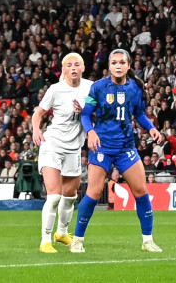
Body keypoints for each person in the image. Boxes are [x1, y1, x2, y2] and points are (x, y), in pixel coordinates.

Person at [71, 49, 165, 253]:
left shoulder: (135, 89)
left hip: (126, 148)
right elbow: (86, 115)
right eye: (114, 63)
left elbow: (139, 114)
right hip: (102, 146)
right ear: (109, 67)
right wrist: (91, 133)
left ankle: (147, 241)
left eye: (122, 62)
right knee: (93, 193)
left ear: (128, 66)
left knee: (141, 191)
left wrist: (151, 128)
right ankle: (77, 239)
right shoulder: (98, 87)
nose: (118, 66)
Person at [31, 52, 93, 252]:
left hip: (74, 148)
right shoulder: (56, 90)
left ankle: (62, 233)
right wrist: (36, 129)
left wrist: (84, 111)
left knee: (70, 196)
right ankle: (45, 240)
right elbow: (38, 113)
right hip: (53, 144)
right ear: (64, 70)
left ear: (83, 68)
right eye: (69, 65)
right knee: (54, 196)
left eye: (77, 64)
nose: (73, 68)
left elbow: (99, 112)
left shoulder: (91, 87)